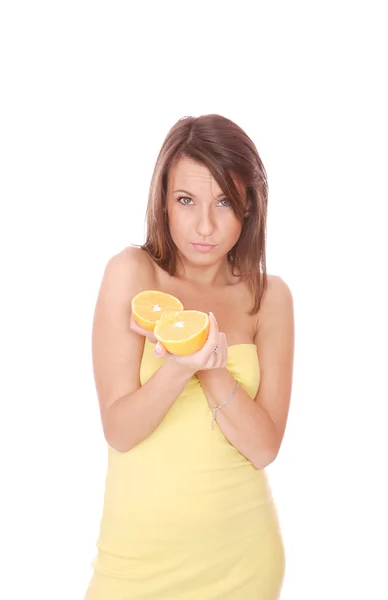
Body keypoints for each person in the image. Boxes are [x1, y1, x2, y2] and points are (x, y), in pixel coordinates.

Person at [84, 114, 295, 600]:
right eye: (186, 201)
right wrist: (179, 365)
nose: (205, 225)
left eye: (224, 202)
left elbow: (264, 448)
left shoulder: (270, 297)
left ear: (249, 208)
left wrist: (213, 368)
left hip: (243, 565)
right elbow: (120, 430)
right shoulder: (132, 273)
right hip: (134, 569)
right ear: (163, 202)